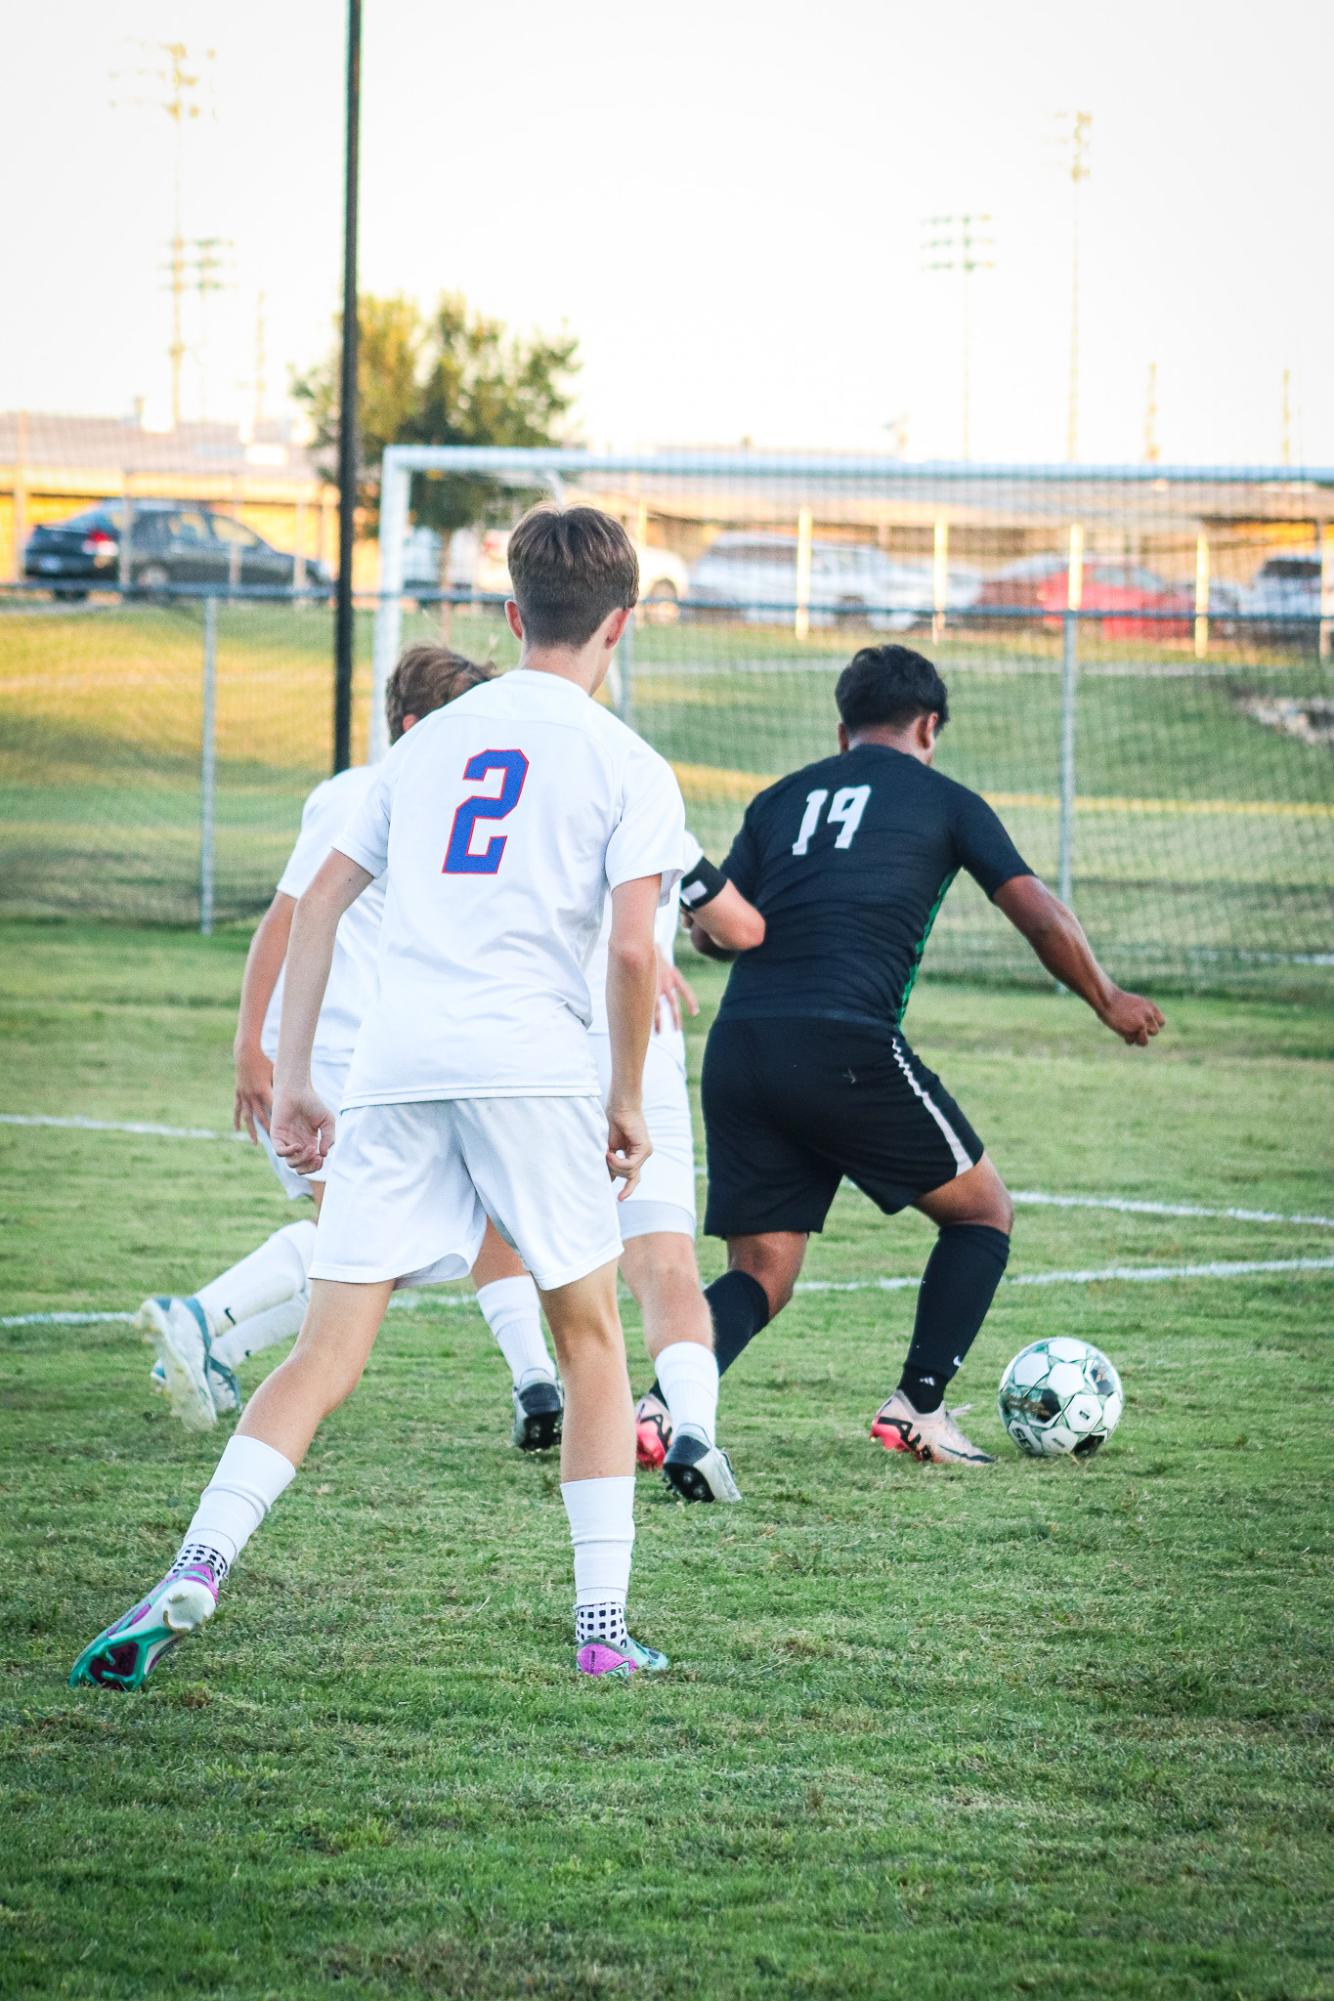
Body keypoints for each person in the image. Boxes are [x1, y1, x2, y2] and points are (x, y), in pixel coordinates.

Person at [69, 504, 693, 1690]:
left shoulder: (425, 743)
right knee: (592, 1341)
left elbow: (320, 902)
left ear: (512, 617)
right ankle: (602, 1634)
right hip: (528, 1067)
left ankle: (195, 1565)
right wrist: (625, 1099)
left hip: (399, 1064)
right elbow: (627, 954)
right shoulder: (629, 763)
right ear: (621, 625)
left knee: (323, 1351)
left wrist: (295, 1070)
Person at [655, 643, 1164, 1466]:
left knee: (763, 1270)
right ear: (929, 724)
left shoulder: (780, 798)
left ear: (842, 728)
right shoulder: (945, 799)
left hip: (742, 1046)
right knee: (983, 1212)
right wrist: (1108, 998)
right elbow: (1036, 911)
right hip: (843, 1040)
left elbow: (721, 929)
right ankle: (918, 1406)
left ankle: (660, 1406)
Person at [132, 648, 569, 1439]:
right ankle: (199, 1318)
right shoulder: (362, 792)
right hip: (330, 1052)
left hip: (381, 1054)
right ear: (413, 725)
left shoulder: (436, 801)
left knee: (418, 1239)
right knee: (367, 1247)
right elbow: (287, 918)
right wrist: (252, 1048)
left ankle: (214, 1343)